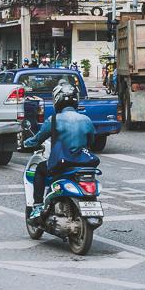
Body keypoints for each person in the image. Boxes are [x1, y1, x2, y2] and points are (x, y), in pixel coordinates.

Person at [21, 87, 97, 221]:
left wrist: (25, 143)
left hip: (62, 164)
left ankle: (37, 206)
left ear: (57, 100)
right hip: (84, 163)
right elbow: (91, 141)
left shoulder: (54, 120)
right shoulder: (86, 119)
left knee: (40, 169)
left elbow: (38, 139)